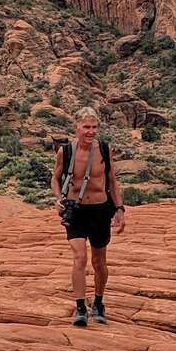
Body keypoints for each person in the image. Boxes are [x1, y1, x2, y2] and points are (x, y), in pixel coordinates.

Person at [51, 106, 126, 327]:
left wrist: (119, 209)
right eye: (86, 127)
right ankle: (81, 308)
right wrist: (58, 198)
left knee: (99, 261)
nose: (91, 131)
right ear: (76, 128)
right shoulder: (65, 152)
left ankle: (99, 303)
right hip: (76, 210)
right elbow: (55, 178)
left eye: (94, 127)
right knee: (80, 258)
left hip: (100, 210)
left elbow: (112, 180)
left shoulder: (104, 149)